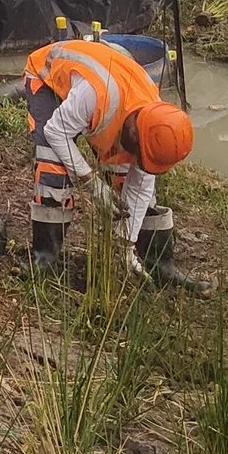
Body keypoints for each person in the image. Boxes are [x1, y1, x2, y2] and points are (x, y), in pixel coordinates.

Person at [23, 28, 195, 277]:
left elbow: (141, 184)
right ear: (134, 133)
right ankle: (44, 259)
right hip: (47, 78)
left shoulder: (151, 122)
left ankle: (158, 265)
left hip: (101, 98)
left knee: (127, 179)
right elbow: (56, 132)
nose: (141, 163)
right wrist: (92, 182)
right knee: (53, 165)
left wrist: (125, 244)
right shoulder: (96, 94)